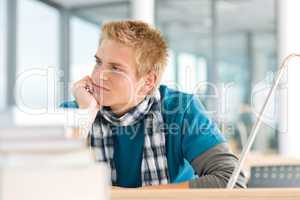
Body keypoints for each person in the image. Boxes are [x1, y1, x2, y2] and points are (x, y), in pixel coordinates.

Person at [61, 20, 246, 189]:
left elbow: (231, 180)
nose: (98, 75)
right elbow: (43, 182)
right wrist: (86, 114)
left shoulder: (180, 109)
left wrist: (132, 196)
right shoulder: (75, 111)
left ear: (148, 82)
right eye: (98, 62)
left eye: (115, 68)